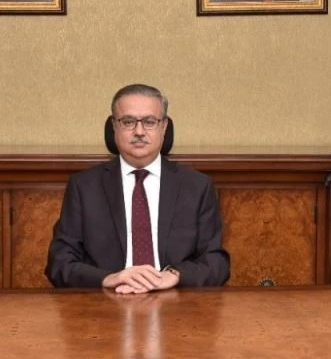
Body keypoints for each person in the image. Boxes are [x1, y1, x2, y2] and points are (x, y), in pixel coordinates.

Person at [45, 84, 230, 293]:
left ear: (164, 127)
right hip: (106, 302)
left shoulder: (196, 186)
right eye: (128, 122)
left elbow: (216, 263)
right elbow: (59, 263)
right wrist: (109, 278)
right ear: (114, 126)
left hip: (175, 301)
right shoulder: (84, 187)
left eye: (150, 122)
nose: (139, 131)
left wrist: (174, 275)